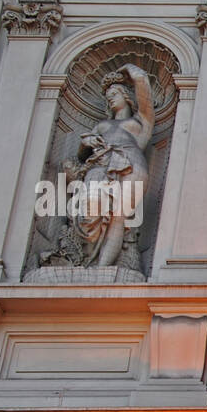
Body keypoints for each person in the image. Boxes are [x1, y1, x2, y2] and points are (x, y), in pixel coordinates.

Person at [66, 63, 153, 267]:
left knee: (118, 218)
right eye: (108, 96)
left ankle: (101, 269)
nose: (110, 97)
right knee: (90, 210)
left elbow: (144, 90)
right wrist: (86, 142)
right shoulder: (101, 125)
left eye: (115, 93)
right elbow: (81, 153)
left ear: (126, 96)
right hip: (100, 164)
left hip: (131, 164)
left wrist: (132, 70)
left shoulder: (142, 122)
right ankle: (88, 258)